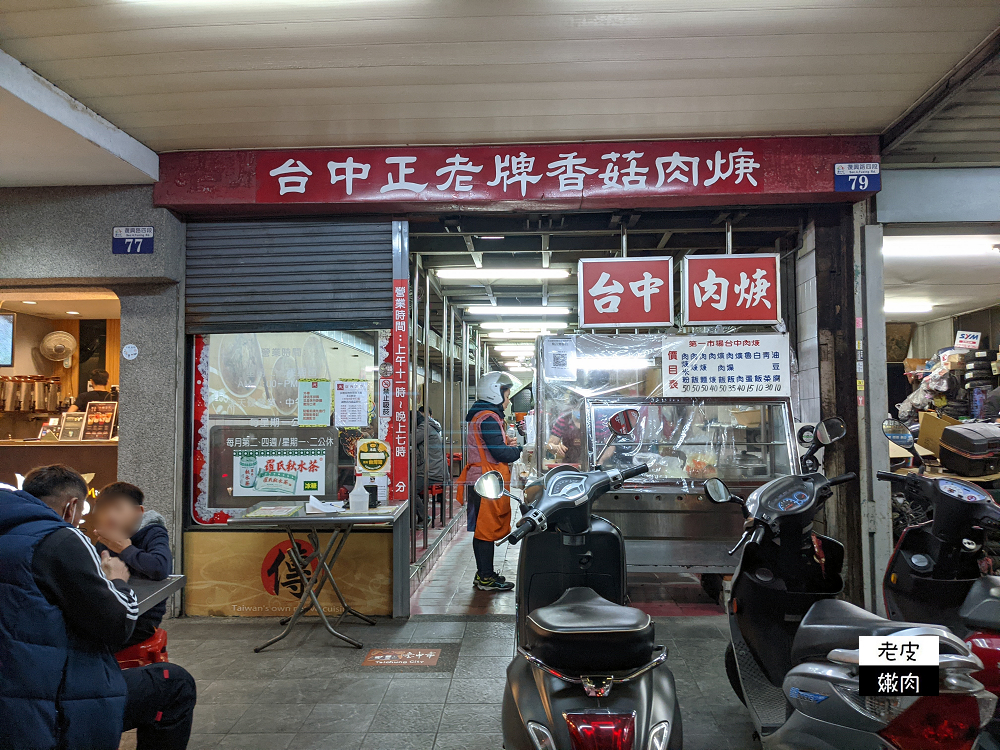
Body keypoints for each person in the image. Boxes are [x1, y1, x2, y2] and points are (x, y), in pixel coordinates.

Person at [0, 465, 196, 750]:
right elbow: (117, 624)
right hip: (46, 702)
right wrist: (118, 581)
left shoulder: (151, 531)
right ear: (72, 506)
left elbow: (158, 566)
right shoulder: (63, 538)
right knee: (174, 683)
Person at [457, 371, 522, 591]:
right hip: (487, 481)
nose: (509, 399)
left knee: (483, 530)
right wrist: (519, 450)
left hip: (482, 479)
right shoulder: (488, 417)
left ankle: (483, 574)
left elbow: (493, 446)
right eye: (507, 393)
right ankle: (485, 577)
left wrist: (506, 444)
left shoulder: (483, 415)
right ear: (495, 393)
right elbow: (500, 454)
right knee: (485, 531)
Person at [93, 481, 173, 649]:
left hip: (142, 620)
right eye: (104, 510)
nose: (110, 516)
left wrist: (125, 549)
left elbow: (160, 568)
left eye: (117, 509)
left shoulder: (153, 532)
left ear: (139, 512)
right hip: (109, 613)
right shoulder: (103, 541)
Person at [414, 406, 448, 525]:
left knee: (409, 491)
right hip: (435, 469)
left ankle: (424, 516)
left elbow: (408, 440)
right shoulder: (431, 426)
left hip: (430, 471)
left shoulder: (424, 428)